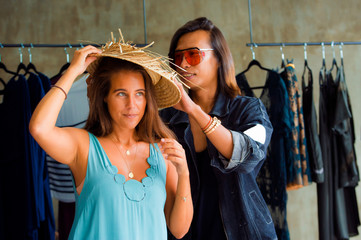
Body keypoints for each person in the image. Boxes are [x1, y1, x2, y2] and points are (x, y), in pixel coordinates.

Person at [29, 31, 193, 240]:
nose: (131, 105)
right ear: (105, 97)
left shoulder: (163, 152)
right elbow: (39, 129)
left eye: (139, 94)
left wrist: (184, 174)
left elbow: (179, 230)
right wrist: (73, 71)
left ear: (147, 99)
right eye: (121, 93)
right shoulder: (83, 146)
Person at [160, 17, 277, 240]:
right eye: (178, 57)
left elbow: (246, 154)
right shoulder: (166, 119)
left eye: (193, 55)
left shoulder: (248, 110)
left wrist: (194, 110)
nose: (183, 64)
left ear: (219, 59)